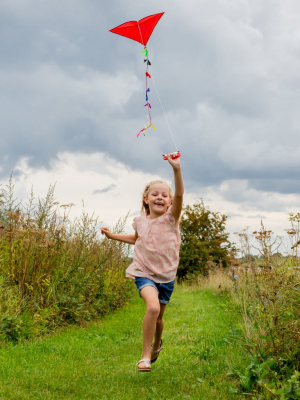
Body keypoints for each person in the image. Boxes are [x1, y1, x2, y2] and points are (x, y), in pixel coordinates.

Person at [101, 153, 184, 372]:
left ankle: (157, 344)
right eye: (154, 194)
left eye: (165, 195)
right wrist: (113, 236)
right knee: (153, 307)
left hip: (166, 276)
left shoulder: (171, 220)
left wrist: (176, 169)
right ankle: (145, 356)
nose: (160, 197)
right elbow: (137, 239)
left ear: (170, 202)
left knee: (158, 319)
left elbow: (181, 194)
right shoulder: (141, 222)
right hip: (144, 272)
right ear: (145, 200)